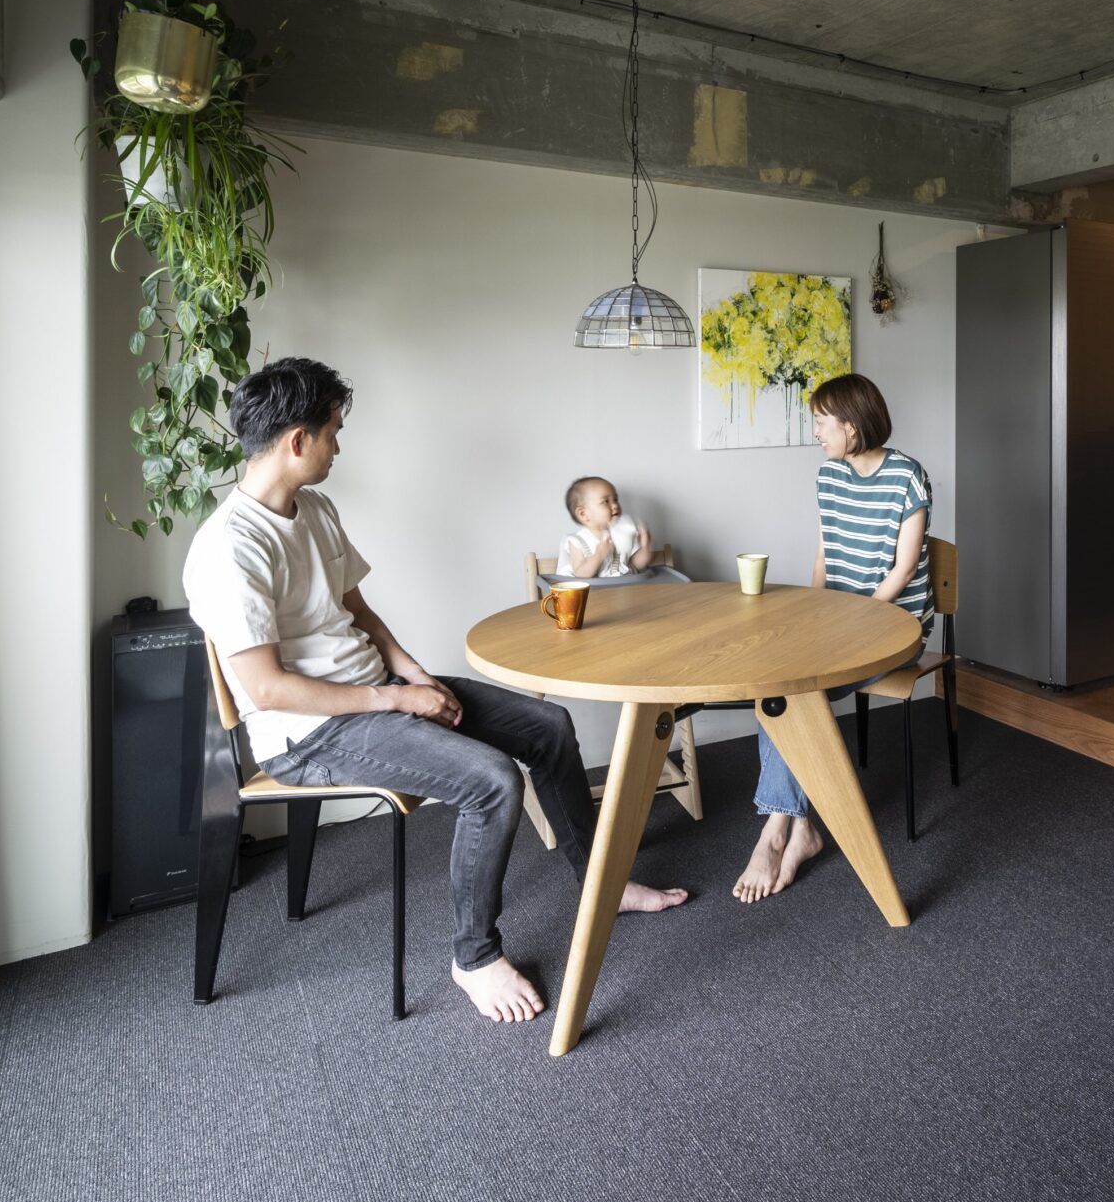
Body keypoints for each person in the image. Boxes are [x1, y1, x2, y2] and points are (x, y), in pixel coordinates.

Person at [182, 357, 687, 1023]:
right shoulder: (228, 548)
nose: (338, 448)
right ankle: (473, 956)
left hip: (376, 690)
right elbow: (267, 688)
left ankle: (602, 883)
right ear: (297, 440)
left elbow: (358, 611)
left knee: (548, 728)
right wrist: (396, 699)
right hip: (308, 734)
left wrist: (415, 675)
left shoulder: (317, 509)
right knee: (493, 781)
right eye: (333, 433)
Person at [734, 372, 932, 904]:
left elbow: (904, 569)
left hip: (893, 628)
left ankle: (777, 831)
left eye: (822, 422)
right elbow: (825, 552)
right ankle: (797, 827)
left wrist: (855, 620)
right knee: (776, 683)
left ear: (853, 425)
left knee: (796, 691)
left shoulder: (907, 477)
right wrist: (813, 613)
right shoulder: (829, 475)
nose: (816, 432)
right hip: (838, 624)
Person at [555, 476, 653, 578]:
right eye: (605, 501)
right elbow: (580, 574)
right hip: (596, 588)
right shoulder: (577, 541)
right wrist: (599, 554)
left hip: (625, 585)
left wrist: (645, 547)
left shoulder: (623, 533)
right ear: (583, 514)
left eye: (615, 499)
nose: (615, 505)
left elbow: (635, 565)